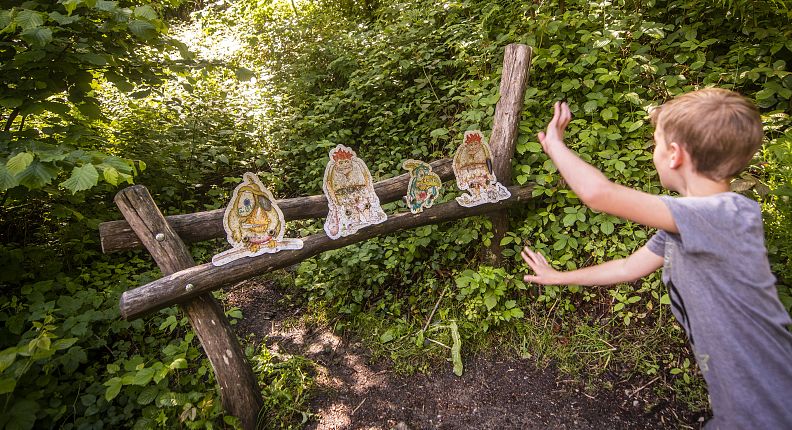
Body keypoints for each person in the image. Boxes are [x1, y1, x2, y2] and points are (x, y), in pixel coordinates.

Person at [521, 88, 792, 429]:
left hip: (775, 407)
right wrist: (560, 276)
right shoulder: (687, 226)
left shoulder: (727, 214)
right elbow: (626, 267)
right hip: (742, 409)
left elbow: (599, 195)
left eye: (655, 143)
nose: (654, 152)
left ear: (675, 155)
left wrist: (555, 146)